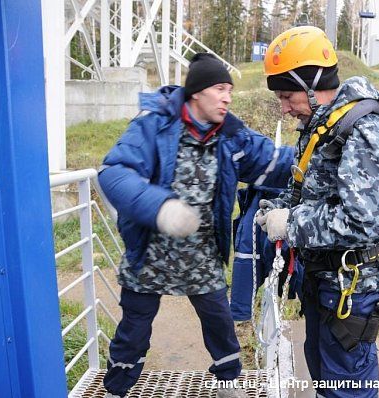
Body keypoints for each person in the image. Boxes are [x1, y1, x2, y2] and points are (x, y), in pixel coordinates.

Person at [98, 53, 293, 398]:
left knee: (219, 325)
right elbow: (114, 173)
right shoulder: (153, 125)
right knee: (134, 331)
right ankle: (116, 390)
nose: (227, 97)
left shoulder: (231, 136)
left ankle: (228, 384)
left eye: (229, 90)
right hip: (150, 255)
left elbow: (276, 161)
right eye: (220, 88)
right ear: (197, 93)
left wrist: (323, 147)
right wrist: (160, 209)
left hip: (201, 256)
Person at [257, 26, 379, 398]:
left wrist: (291, 224)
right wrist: (278, 210)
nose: (284, 107)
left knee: (346, 385)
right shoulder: (321, 123)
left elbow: (364, 221)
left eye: (288, 96)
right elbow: (308, 188)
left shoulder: (364, 130)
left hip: (351, 286)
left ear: (311, 85)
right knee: (324, 373)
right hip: (322, 278)